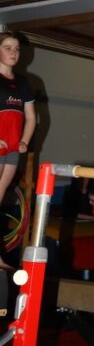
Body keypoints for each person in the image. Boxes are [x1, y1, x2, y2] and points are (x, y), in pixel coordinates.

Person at [0, 31, 36, 269]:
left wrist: (24, 140)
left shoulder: (22, 83)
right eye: (7, 47)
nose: (13, 52)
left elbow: (32, 118)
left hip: (12, 147)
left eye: (17, 49)